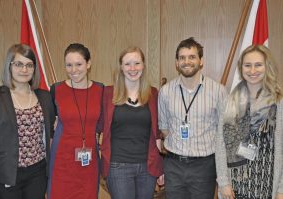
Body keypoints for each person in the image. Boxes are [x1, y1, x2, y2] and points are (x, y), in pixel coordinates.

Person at [158, 37, 227, 198]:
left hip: (204, 166)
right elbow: (164, 128)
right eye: (182, 58)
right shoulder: (166, 92)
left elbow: (222, 133)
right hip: (173, 165)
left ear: (201, 61)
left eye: (192, 57)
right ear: (176, 63)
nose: (186, 61)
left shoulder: (218, 91)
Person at [0, 44, 55, 199]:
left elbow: (51, 132)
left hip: (38, 173)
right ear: (9, 65)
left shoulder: (45, 97)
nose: (24, 70)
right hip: (7, 175)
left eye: (29, 65)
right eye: (18, 64)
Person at [215, 45, 283, 199]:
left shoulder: (279, 102)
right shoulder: (229, 102)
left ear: (267, 67)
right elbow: (220, 144)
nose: (252, 71)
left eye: (258, 65)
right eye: (248, 65)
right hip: (234, 185)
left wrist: (281, 190)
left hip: (267, 185)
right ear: (241, 68)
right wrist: (224, 183)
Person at [101, 46, 163, 199]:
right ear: (121, 67)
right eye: (127, 64)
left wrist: (160, 168)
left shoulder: (153, 94)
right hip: (118, 167)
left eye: (137, 63)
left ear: (143, 65)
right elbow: (94, 122)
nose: (133, 68)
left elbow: (158, 134)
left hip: (147, 167)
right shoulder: (108, 94)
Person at [47, 43, 104, 199]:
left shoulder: (101, 90)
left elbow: (103, 124)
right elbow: (49, 125)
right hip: (62, 162)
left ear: (88, 64)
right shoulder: (56, 90)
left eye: (78, 64)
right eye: (69, 65)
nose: (74, 70)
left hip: (89, 163)